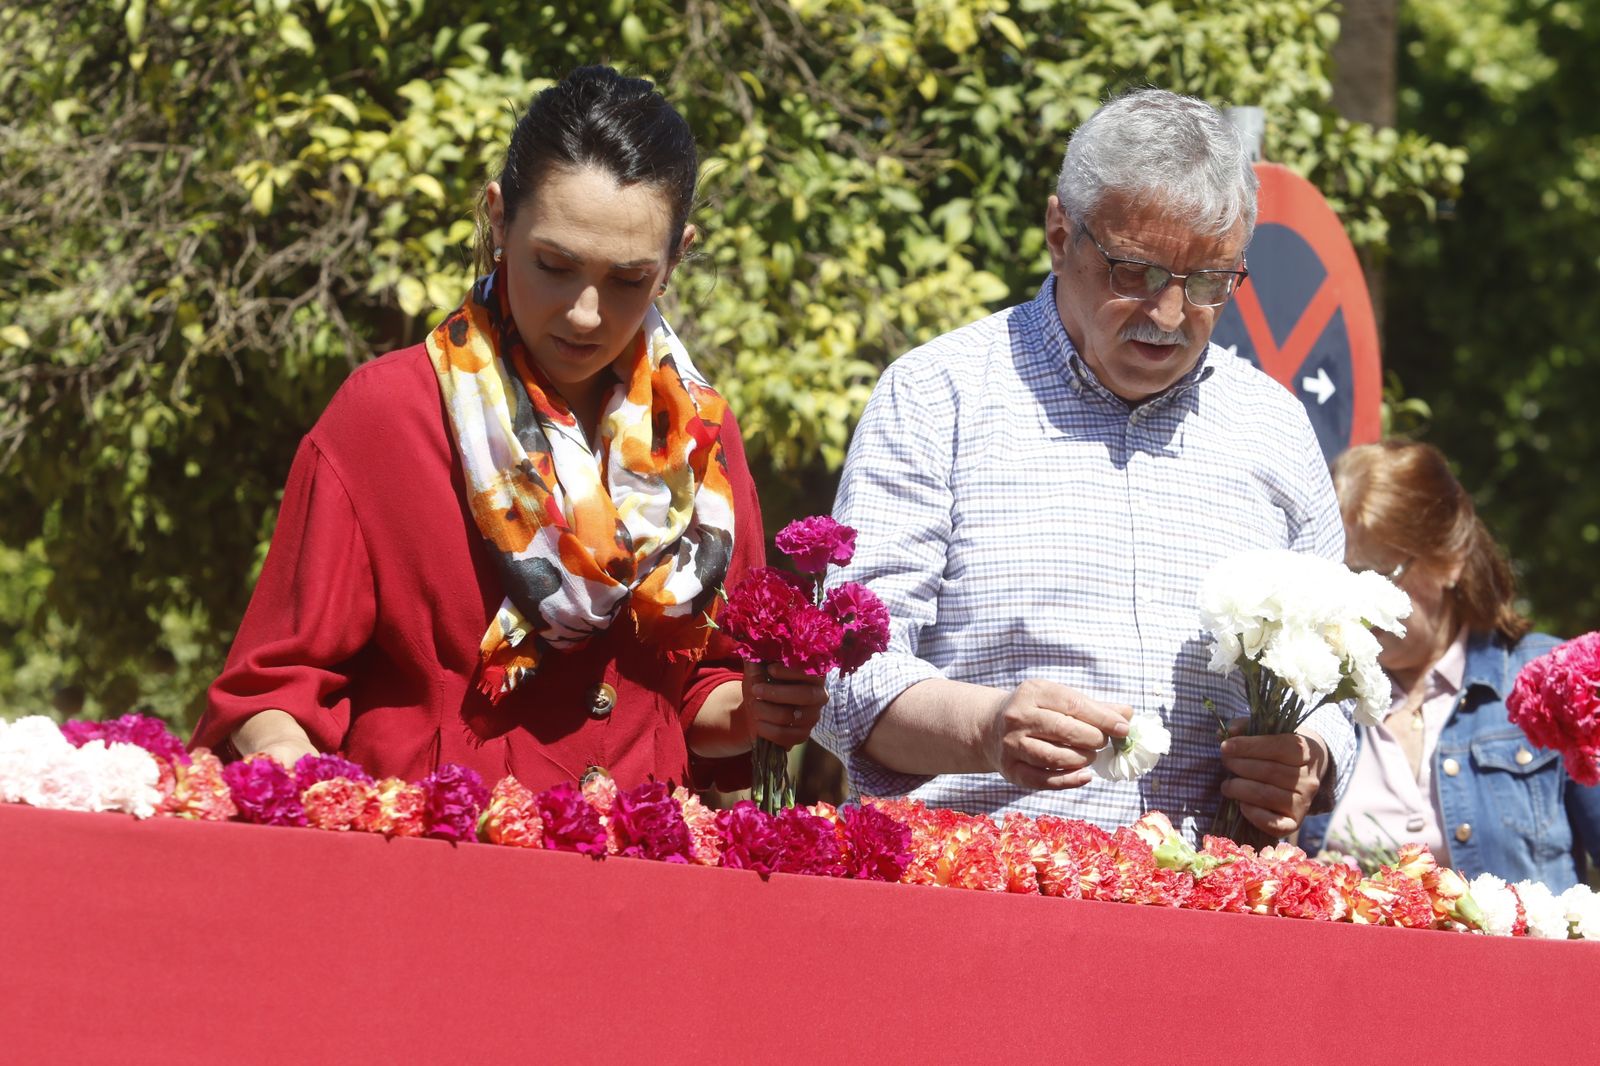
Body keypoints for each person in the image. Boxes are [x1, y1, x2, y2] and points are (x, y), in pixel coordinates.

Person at [191, 66, 826, 791]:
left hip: (638, 882)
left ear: (676, 258)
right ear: (499, 219)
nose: (586, 313)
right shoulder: (389, 416)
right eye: (554, 265)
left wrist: (760, 709)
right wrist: (293, 771)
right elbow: (274, 688)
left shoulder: (701, 442)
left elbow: (694, 701)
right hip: (433, 876)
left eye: (627, 280)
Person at [814, 88, 1354, 842]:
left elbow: (1347, 677)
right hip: (976, 902)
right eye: (1135, 273)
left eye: (1207, 283)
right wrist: (984, 729)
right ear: (1059, 233)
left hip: (1213, 914)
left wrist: (1315, 754)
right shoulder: (938, 397)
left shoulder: (1275, 428)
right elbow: (842, 673)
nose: (1168, 315)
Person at [1299, 441, 1600, 889]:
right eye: (1341, 576)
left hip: (1516, 962)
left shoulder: (1551, 681)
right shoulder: (1307, 696)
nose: (1354, 600)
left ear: (1450, 559)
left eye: (1378, 574)